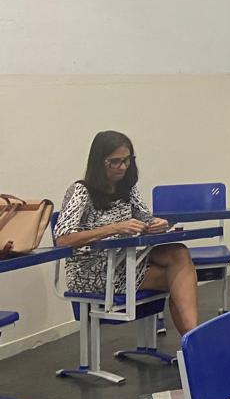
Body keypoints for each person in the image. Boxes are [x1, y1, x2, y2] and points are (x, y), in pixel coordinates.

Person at [53, 130, 200, 335]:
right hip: (92, 272)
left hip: (124, 262)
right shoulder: (81, 191)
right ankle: (194, 341)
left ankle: (193, 340)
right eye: (115, 162)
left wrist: (158, 224)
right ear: (99, 161)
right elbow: (63, 239)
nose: (122, 167)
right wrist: (114, 228)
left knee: (179, 253)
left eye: (127, 160)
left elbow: (146, 219)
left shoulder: (127, 189)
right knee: (180, 281)